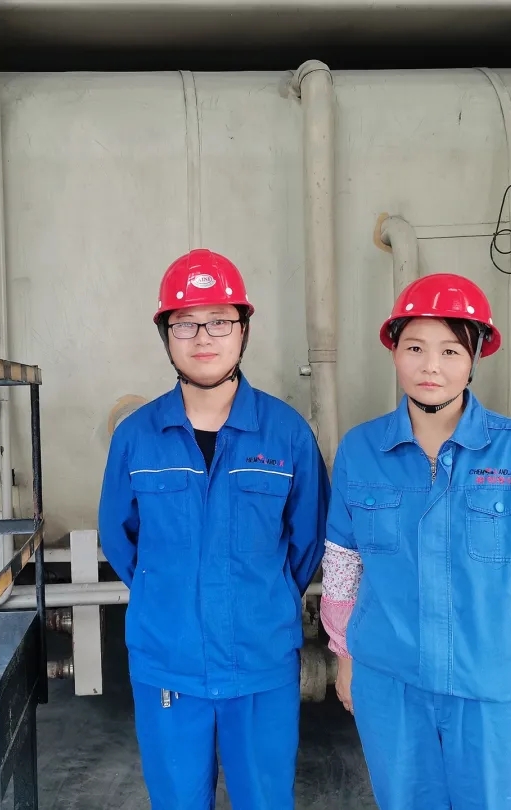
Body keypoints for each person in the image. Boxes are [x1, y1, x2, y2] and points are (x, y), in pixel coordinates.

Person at [319, 273, 511, 810]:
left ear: (474, 358)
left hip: (493, 684)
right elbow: (344, 563)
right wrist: (344, 656)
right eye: (415, 348)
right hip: (390, 682)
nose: (431, 366)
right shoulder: (360, 450)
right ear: (394, 352)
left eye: (449, 351)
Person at [98, 248, 331, 810]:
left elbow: (307, 541)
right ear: (166, 335)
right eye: (185, 323)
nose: (203, 337)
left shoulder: (286, 434)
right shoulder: (137, 436)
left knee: (265, 800)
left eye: (220, 321)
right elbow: (120, 538)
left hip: (261, 661)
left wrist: (263, 600)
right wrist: (170, 593)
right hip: (168, 661)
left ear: (243, 329)